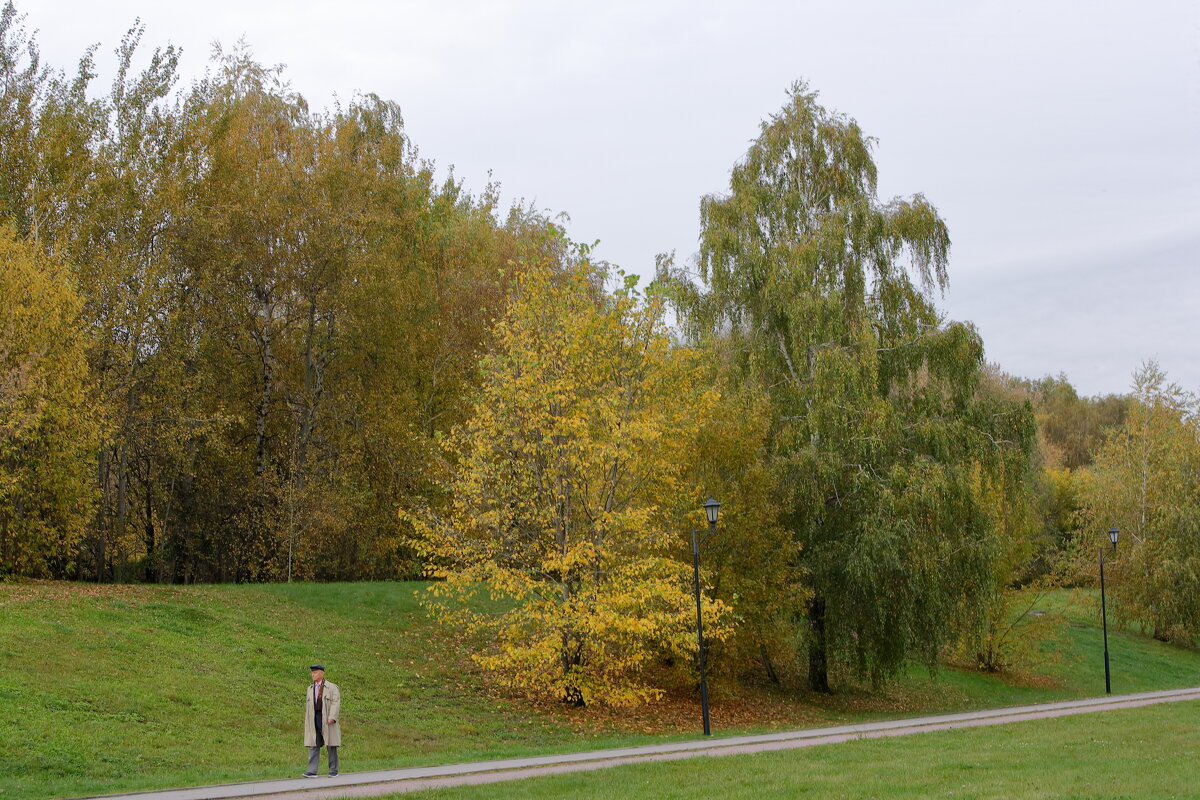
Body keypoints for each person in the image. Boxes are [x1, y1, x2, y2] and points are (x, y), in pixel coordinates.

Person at [303, 664, 341, 777]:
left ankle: (333, 770)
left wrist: (332, 717)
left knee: (331, 744)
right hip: (315, 718)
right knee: (313, 743)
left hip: (327, 718)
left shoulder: (332, 687)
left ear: (322, 673)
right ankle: (312, 770)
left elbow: (335, 702)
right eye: (312, 672)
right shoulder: (310, 688)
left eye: (315, 672)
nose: (312, 675)